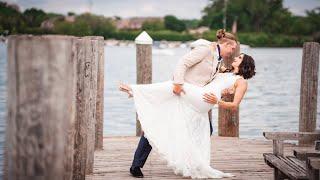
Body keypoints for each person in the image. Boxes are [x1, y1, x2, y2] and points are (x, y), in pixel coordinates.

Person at [119, 53, 256, 179]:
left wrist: (219, 100)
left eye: (239, 57)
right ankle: (137, 92)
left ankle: (136, 91)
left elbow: (234, 105)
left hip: (201, 102)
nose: (235, 57)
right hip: (196, 99)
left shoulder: (241, 82)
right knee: (167, 110)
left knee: (178, 88)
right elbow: (208, 81)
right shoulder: (224, 71)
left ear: (245, 63)